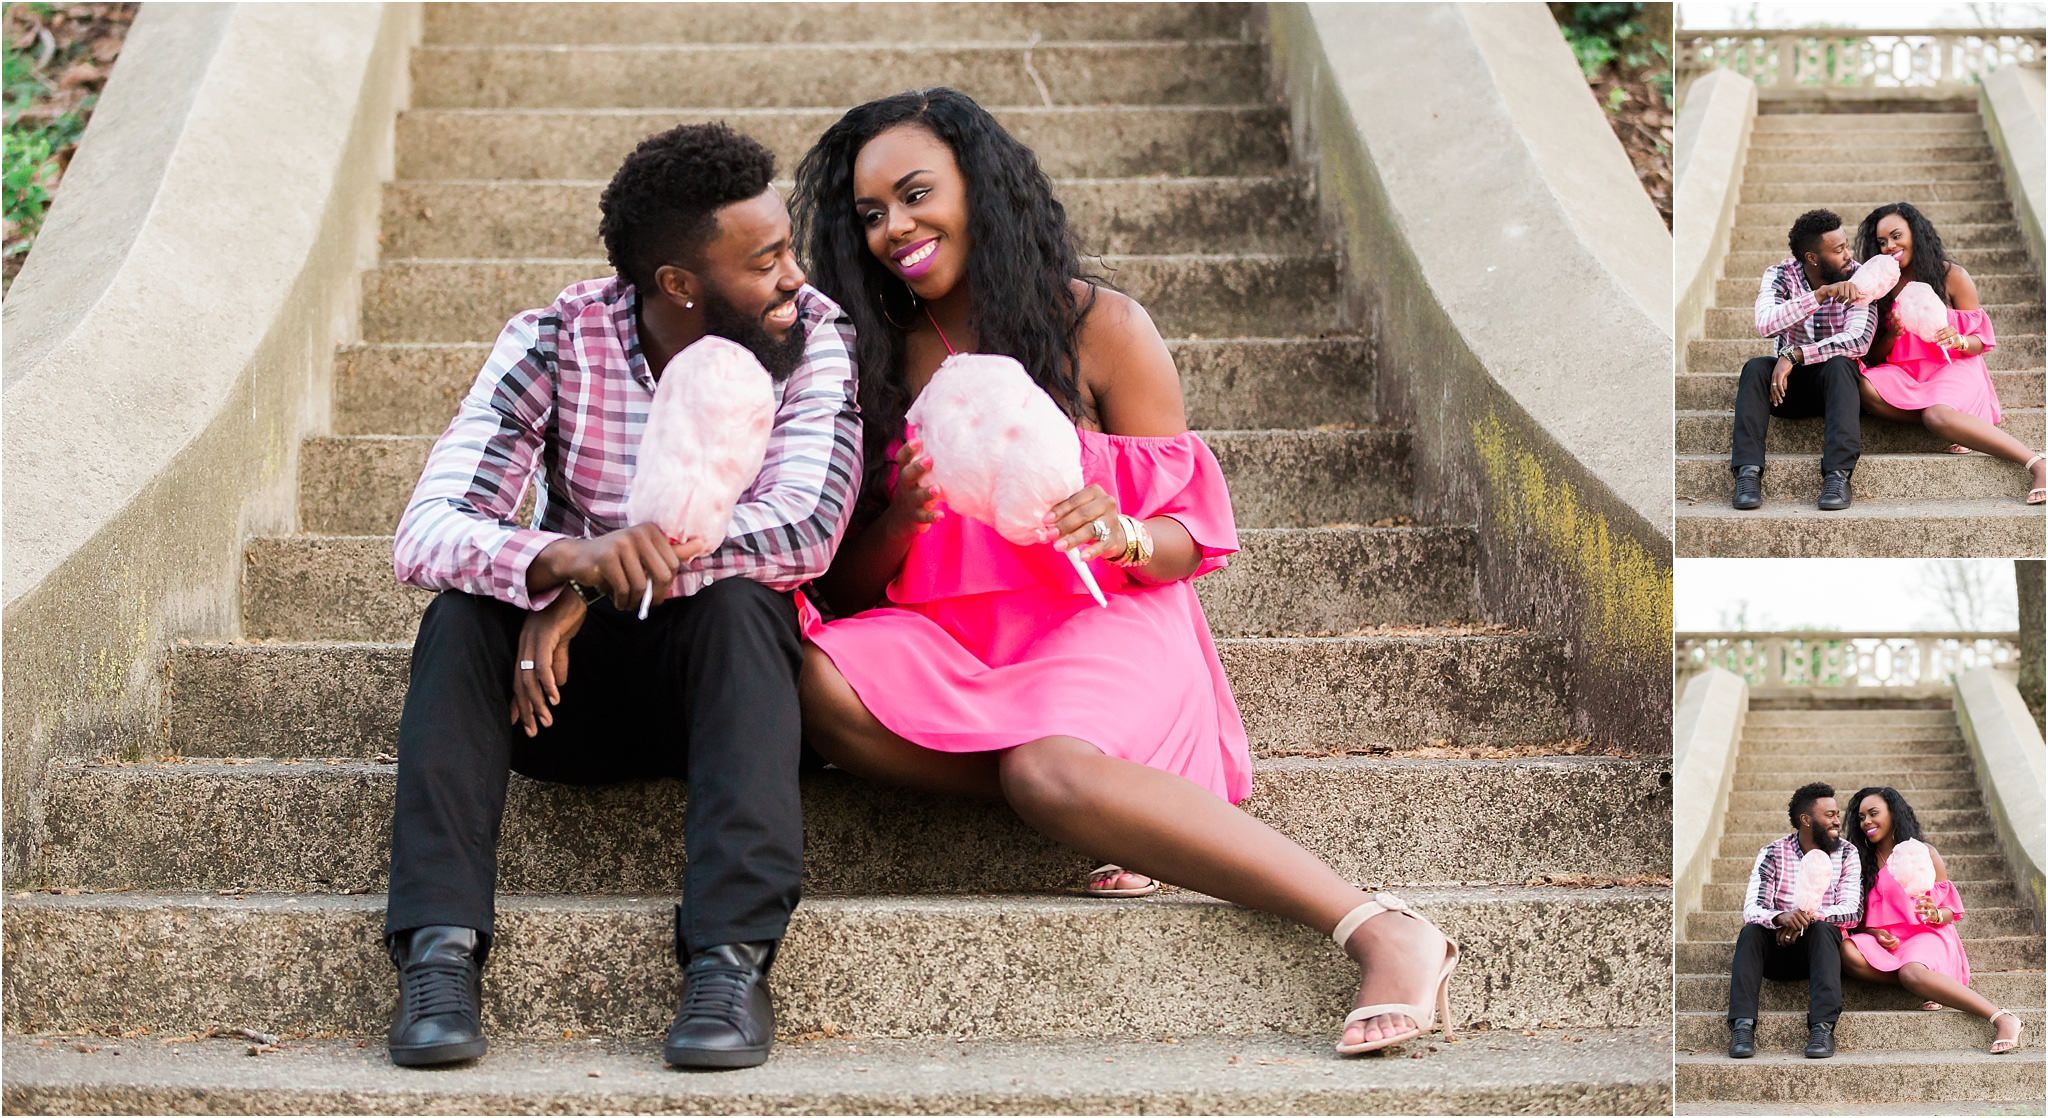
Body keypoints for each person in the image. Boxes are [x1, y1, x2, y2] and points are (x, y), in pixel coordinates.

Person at [788, 87, 1460, 1058]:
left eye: (914, 194)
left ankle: (1379, 925)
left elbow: (1194, 532)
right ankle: (1128, 801)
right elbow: (843, 590)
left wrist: (1123, 532)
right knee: (812, 675)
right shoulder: (870, 360)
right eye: (869, 214)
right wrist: (902, 515)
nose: (894, 227)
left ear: (979, 187)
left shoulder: (1097, 326)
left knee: (1042, 767)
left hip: (1105, 620)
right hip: (950, 641)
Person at [381, 123, 861, 1071]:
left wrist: (591, 589)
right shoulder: (556, 342)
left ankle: (729, 961)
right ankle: (437, 955)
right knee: (463, 613)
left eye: (789, 247)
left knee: (745, 605)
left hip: (724, 697)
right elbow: (427, 530)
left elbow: (807, 529)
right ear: (680, 283)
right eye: (765, 260)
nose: (793, 276)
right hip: (557, 700)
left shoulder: (812, 339)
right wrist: (567, 559)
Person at [1852, 202, 2046, 505]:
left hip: (1954, 365)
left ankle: (2037, 463)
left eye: (1896, 236)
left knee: (1935, 414)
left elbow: (1981, 340)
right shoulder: (1882, 286)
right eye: (1882, 241)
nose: (1889, 246)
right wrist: (1892, 333)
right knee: (1863, 385)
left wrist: (1958, 340)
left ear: (1916, 234)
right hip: (1907, 373)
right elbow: (1874, 358)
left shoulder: (1951, 276)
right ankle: (1962, 424)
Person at [1840, 786, 2024, 1054]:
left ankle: (2002, 1017)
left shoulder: (1923, 853)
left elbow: (1951, 910)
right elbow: (1858, 918)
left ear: (1893, 813)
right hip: (1889, 943)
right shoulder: (1860, 862)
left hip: (1927, 936)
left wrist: (1935, 913)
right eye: (1861, 817)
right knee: (1847, 951)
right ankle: (1930, 984)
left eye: (1873, 813)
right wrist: (1875, 932)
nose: (1866, 821)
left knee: (1910, 970)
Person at [1732, 209, 1877, 512]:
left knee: (1841, 363)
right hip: (1785, 390)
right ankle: (1747, 473)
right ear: (1812, 258)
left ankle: (1837, 476)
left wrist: (1795, 355)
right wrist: (1819, 297)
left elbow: (1858, 340)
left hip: (1838, 390)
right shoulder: (1780, 275)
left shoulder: (1861, 277)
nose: (1848, 256)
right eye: (1838, 250)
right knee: (1756, 368)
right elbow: (1765, 323)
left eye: (1846, 245)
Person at [1727, 782, 1861, 1060]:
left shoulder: (1847, 853)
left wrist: (1802, 920)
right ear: (1806, 820)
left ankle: (1822, 1028)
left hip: (1818, 953)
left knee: (1825, 929)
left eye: (1837, 814)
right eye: (1830, 815)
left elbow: (1852, 911)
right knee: (1751, 932)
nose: (1837, 820)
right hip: (1776, 951)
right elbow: (1752, 907)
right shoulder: (1773, 853)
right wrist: (1779, 918)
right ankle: (1742, 1026)